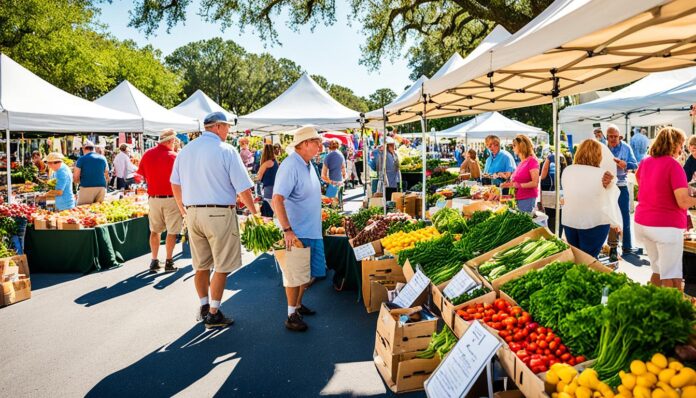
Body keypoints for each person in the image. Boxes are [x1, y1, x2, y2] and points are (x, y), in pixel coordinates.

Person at [170, 112, 257, 329]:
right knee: (222, 264)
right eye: (226, 127)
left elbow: (175, 183)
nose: (228, 131)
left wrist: (182, 208)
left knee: (200, 265)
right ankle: (214, 313)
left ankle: (203, 305)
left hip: (193, 213)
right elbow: (243, 187)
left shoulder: (186, 150)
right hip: (218, 212)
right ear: (217, 127)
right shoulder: (226, 150)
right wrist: (255, 212)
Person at [272, 126, 326, 332]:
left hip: (310, 229)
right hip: (297, 231)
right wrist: (287, 229)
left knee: (307, 274)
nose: (320, 146)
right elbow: (277, 199)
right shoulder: (290, 165)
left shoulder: (307, 163)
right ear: (303, 144)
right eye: (316, 142)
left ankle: (298, 305)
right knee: (295, 276)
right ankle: (291, 315)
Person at [635, 127, 696, 290]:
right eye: (681, 144)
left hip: (643, 223)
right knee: (673, 277)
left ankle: (651, 305)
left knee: (658, 270)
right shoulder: (674, 166)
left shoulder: (645, 161)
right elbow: (683, 202)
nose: (681, 149)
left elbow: (639, 178)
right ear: (673, 144)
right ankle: (672, 313)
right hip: (665, 228)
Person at [561, 139, 621, 258]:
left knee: (576, 257)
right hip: (594, 223)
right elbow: (611, 200)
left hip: (570, 221)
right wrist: (615, 223)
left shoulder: (568, 170)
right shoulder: (603, 174)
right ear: (598, 155)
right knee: (589, 260)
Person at [137, 129, 182, 273]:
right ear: (170, 141)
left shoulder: (147, 154)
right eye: (174, 141)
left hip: (153, 199)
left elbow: (140, 176)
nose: (174, 144)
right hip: (171, 199)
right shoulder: (175, 157)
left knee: (154, 230)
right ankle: (169, 261)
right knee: (172, 231)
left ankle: (154, 260)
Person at [606, 125, 639, 258]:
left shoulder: (626, 147)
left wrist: (626, 165)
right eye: (610, 136)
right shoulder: (602, 148)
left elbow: (635, 165)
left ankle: (627, 247)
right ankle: (611, 246)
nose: (613, 139)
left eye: (615, 136)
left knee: (624, 216)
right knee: (608, 216)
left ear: (620, 136)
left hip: (621, 185)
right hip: (606, 186)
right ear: (606, 136)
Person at [502, 135, 539, 214]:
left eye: (514, 145)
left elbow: (535, 183)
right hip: (518, 198)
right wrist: (509, 184)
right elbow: (517, 180)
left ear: (521, 146)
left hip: (527, 199)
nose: (513, 148)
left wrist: (516, 185)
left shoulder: (532, 161)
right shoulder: (522, 162)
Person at [539, 150, 567, 234]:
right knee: (556, 226)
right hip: (557, 203)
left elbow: (544, 172)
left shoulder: (547, 176)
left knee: (552, 227)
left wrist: (548, 159)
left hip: (551, 203)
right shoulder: (563, 173)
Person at [74, 140, 109, 205]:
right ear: (93, 149)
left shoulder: (81, 159)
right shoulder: (103, 158)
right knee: (99, 209)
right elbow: (106, 174)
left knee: (83, 209)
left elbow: (76, 176)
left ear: (84, 149)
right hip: (101, 187)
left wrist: (79, 183)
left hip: (87, 187)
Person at [256, 144, 279, 217]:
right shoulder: (275, 162)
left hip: (268, 190)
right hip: (275, 189)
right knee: (274, 210)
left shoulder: (266, 163)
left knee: (267, 212)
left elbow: (258, 178)